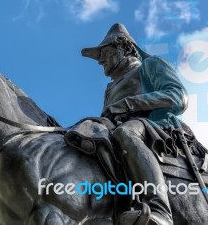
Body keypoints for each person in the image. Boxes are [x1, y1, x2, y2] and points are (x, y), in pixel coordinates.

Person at [81, 23, 190, 225]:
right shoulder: (110, 88)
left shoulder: (151, 66)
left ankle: (160, 210)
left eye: (105, 52)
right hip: (115, 131)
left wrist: (129, 103)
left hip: (155, 128)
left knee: (125, 133)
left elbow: (177, 97)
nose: (100, 60)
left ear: (125, 47)